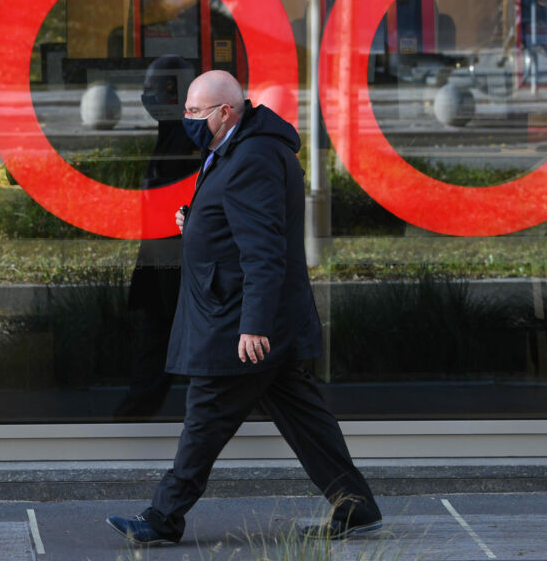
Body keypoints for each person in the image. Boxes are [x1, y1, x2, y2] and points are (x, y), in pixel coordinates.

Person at [106, 70, 381, 546]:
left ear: (225, 111)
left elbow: (264, 250)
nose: (187, 119)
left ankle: (164, 517)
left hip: (240, 320)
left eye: (195, 111)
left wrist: (253, 326)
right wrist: (197, 220)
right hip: (254, 315)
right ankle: (356, 507)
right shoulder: (242, 143)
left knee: (206, 414)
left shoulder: (251, 155)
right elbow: (239, 218)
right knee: (307, 420)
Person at [114, 55, 199, 418]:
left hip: (176, 269)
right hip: (161, 266)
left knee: (178, 349)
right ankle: (131, 418)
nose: (144, 97)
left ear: (170, 91)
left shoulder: (188, 139)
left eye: (150, 89)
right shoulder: (172, 133)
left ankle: (132, 419)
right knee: (159, 348)